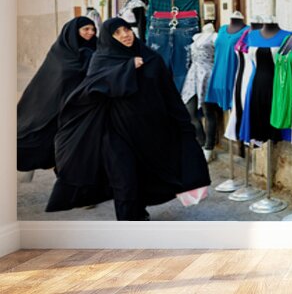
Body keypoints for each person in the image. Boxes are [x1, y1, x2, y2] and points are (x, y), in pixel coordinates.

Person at [46, 18, 211, 221]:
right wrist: (126, 68)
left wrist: (184, 126)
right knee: (124, 181)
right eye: (117, 33)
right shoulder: (101, 60)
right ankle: (128, 228)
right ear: (108, 37)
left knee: (142, 177)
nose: (125, 35)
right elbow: (91, 90)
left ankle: (138, 214)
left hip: (150, 132)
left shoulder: (151, 58)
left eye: (127, 29)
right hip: (115, 133)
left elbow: (169, 95)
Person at [17, 17, 97, 173]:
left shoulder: (95, 50)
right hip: (56, 110)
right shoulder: (60, 53)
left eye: (93, 29)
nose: (91, 33)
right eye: (86, 29)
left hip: (82, 109)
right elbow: (47, 83)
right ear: (74, 32)